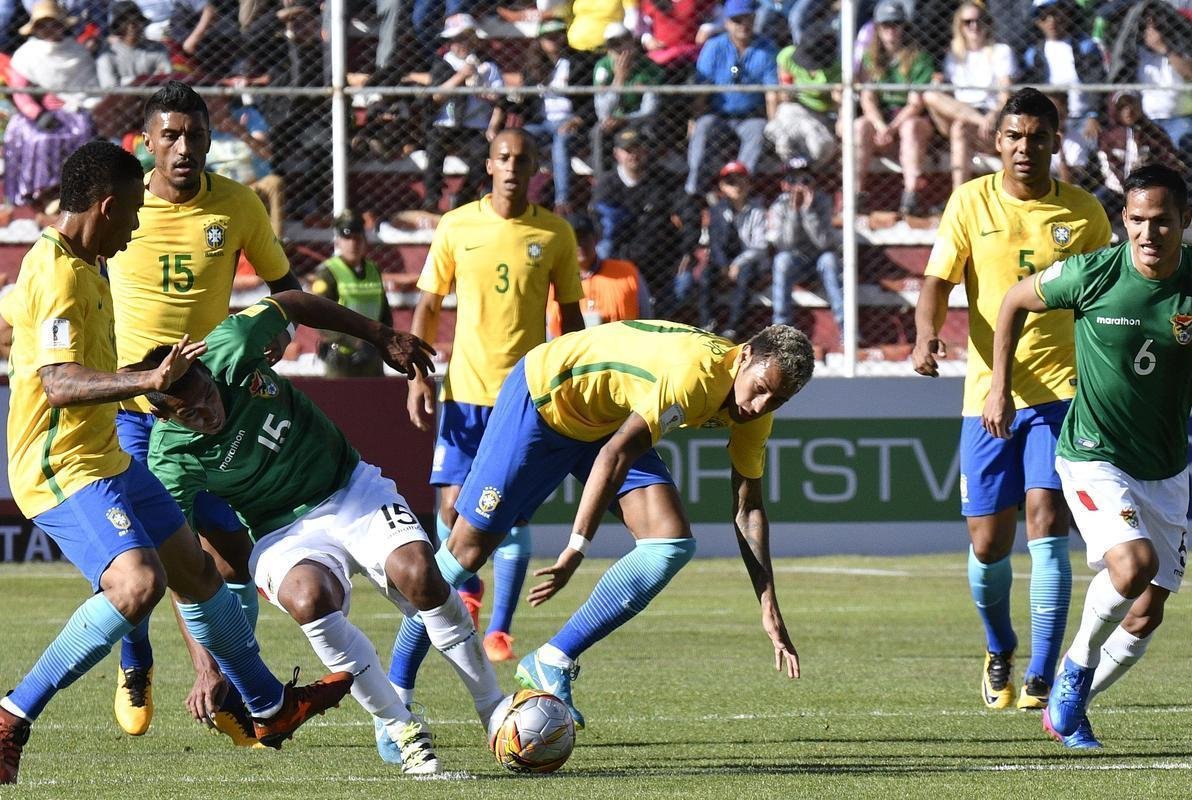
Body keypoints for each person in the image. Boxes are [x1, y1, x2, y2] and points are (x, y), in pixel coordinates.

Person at [0, 141, 351, 786]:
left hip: (102, 452)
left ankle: (269, 706)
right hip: (60, 464)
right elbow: (59, 383)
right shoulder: (57, 275)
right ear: (106, 207)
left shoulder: (82, 262)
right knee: (138, 585)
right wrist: (148, 378)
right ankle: (13, 714)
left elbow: (73, 366)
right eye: (132, 210)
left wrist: (153, 381)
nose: (136, 224)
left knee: (196, 569)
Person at [140, 290, 507, 773]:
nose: (210, 412)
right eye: (191, 414)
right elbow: (184, 573)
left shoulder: (229, 345)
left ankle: (494, 710)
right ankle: (401, 728)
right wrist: (205, 663)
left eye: (208, 395)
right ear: (164, 417)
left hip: (349, 487)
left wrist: (381, 335)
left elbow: (292, 301)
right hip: (279, 533)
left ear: (208, 372)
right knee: (307, 598)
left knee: (421, 574)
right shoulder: (169, 459)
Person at [418, 321, 813, 730]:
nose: (761, 405)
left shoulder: (755, 414)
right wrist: (575, 548)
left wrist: (769, 608)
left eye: (778, 400)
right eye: (761, 387)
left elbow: (748, 509)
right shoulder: (696, 374)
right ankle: (397, 699)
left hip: (606, 419)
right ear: (745, 354)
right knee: (465, 555)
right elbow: (614, 456)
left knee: (670, 543)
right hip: (547, 394)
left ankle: (552, 658)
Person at [105, 80, 303, 740]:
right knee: (150, 561)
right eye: (170, 136)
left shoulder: (238, 205)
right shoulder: (120, 201)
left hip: (211, 415)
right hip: (134, 413)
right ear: (147, 143)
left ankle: (223, 681)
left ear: (210, 138)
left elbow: (285, 287)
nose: (183, 148)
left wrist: (279, 331)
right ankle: (142, 665)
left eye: (194, 135)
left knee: (232, 555)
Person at [383, 129, 585, 753]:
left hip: (524, 400)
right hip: (465, 397)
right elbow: (427, 303)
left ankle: (496, 629)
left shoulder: (554, 233)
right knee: (451, 514)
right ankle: (462, 603)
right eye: (503, 158)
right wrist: (420, 373)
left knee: (504, 518)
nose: (512, 169)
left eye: (523, 160)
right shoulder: (456, 227)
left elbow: (572, 320)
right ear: (488, 167)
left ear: (533, 170)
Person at [912, 88, 1112, 713]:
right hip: (987, 394)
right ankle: (1000, 647)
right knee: (987, 543)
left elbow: (1106, 299)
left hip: (1063, 391)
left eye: (1038, 136)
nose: (1026, 147)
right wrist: (925, 335)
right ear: (996, 141)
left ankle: (1043, 673)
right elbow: (937, 281)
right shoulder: (970, 202)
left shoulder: (1085, 214)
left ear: (1057, 140)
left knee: (1047, 527)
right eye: (1015, 136)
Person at [981, 163, 1192, 749]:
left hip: (1168, 465)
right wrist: (1000, 384)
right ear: (1124, 220)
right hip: (1094, 451)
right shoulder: (1094, 272)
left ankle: (1069, 708)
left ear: (1185, 221)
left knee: (1147, 613)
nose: (1150, 234)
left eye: (1164, 222)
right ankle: (1073, 667)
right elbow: (1012, 302)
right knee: (1132, 565)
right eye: (1139, 221)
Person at [591, 127, 699, 315]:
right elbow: (599, 227)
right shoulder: (607, 186)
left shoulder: (665, 181)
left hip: (661, 260)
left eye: (638, 149)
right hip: (620, 262)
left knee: (685, 282)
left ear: (646, 151)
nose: (633, 155)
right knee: (603, 249)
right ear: (617, 154)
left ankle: (655, 322)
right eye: (627, 150)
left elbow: (690, 214)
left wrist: (688, 251)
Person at [2, 0, 98, 208]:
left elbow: (89, 86)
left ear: (63, 25)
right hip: (37, 115)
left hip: (72, 107)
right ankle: (42, 194)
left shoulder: (77, 52)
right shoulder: (25, 55)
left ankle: (71, 191)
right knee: (35, 138)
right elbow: (20, 92)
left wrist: (74, 104)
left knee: (81, 131)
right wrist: (37, 113)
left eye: (53, 23)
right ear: (35, 28)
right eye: (43, 25)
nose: (49, 29)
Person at [684, 0, 778, 198]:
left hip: (751, 116)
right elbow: (702, 89)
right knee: (703, 127)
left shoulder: (766, 48)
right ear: (726, 23)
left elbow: (772, 93)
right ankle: (694, 191)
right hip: (718, 115)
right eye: (737, 20)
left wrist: (773, 124)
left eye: (748, 19)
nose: (743, 24)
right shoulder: (714, 47)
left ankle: (739, 189)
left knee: (759, 130)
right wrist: (695, 118)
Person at [922, 2, 1015, 191]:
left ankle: (958, 196)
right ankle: (960, 198)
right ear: (960, 26)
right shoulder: (953, 54)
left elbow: (1006, 95)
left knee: (960, 127)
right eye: (968, 22)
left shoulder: (1001, 51)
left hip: (991, 118)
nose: (974, 26)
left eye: (979, 21)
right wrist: (938, 84)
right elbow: (946, 95)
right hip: (961, 114)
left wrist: (992, 115)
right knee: (930, 95)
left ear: (988, 23)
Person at [853, 0, 934, 216]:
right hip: (881, 118)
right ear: (877, 28)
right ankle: (857, 194)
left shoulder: (918, 57)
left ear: (904, 27)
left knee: (910, 127)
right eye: (885, 25)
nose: (891, 30)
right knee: (860, 126)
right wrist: (881, 127)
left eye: (896, 24)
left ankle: (910, 196)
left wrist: (892, 128)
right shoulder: (870, 59)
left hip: (908, 118)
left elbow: (916, 104)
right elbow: (867, 99)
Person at [421, 13, 507, 213]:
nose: (458, 44)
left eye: (463, 38)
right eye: (453, 39)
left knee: (483, 154)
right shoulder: (443, 63)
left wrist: (493, 127)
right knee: (434, 149)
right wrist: (461, 75)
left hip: (475, 127)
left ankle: (462, 197)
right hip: (446, 124)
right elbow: (435, 97)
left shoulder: (488, 66)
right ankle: (432, 199)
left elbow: (501, 102)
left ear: (473, 38)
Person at [678, 160, 768, 340]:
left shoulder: (757, 210)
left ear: (749, 184)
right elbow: (715, 243)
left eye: (741, 181)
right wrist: (723, 266)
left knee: (745, 277)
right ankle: (706, 322)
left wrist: (737, 264)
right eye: (731, 182)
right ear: (722, 186)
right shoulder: (717, 210)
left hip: (748, 260)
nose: (737, 186)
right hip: (723, 261)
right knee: (705, 276)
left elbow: (759, 246)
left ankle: (733, 326)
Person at [518, 18, 589, 215]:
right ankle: (517, 195)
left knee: (562, 141)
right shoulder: (532, 67)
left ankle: (562, 201)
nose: (555, 40)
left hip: (568, 120)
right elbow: (523, 105)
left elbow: (591, 99)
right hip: (541, 123)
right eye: (549, 36)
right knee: (518, 138)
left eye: (558, 35)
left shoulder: (579, 63)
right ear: (540, 40)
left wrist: (578, 119)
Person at [310, 209, 393, 378]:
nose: (352, 244)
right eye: (347, 238)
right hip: (341, 358)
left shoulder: (373, 269)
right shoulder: (327, 272)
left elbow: (384, 312)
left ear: (364, 239)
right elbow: (320, 319)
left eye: (357, 238)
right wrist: (354, 342)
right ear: (338, 241)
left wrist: (382, 341)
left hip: (371, 355)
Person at [767, 160, 844, 335]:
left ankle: (846, 329)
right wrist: (794, 212)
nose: (800, 186)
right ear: (784, 185)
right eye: (794, 180)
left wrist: (808, 213)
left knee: (830, 260)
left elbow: (824, 243)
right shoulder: (779, 206)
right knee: (781, 260)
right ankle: (781, 330)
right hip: (794, 260)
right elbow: (785, 244)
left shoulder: (823, 201)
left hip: (819, 259)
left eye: (805, 180)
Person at [547, 212, 652, 337]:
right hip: (571, 353)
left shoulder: (627, 273)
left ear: (596, 239)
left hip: (620, 351)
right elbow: (548, 331)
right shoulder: (553, 282)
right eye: (574, 238)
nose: (580, 244)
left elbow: (647, 319)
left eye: (584, 238)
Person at [1094, 91, 1180, 225]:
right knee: (1097, 203)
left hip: (1150, 187)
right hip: (1116, 190)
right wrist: (1127, 187)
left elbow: (1168, 158)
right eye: (1123, 107)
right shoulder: (1108, 137)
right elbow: (1109, 167)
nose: (1129, 110)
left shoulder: (1153, 132)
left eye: (1132, 105)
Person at [765, 19, 840, 168]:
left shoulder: (837, 68)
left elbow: (838, 102)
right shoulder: (787, 56)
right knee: (783, 136)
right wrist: (786, 92)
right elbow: (784, 89)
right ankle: (790, 168)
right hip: (796, 109)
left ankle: (805, 171)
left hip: (822, 115)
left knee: (818, 146)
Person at [592, 23, 664, 163]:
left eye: (624, 41)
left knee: (650, 132)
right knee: (598, 132)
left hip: (640, 121)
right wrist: (619, 79)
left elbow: (650, 110)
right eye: (613, 45)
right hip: (611, 120)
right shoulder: (603, 67)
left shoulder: (649, 67)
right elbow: (602, 111)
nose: (620, 49)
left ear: (632, 41)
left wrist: (626, 119)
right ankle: (602, 181)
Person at [96, 2, 172, 88]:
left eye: (136, 19)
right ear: (117, 26)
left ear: (142, 22)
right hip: (123, 100)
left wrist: (127, 82)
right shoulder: (108, 55)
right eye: (125, 20)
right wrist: (138, 81)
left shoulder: (157, 49)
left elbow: (166, 78)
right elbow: (109, 88)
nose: (132, 25)